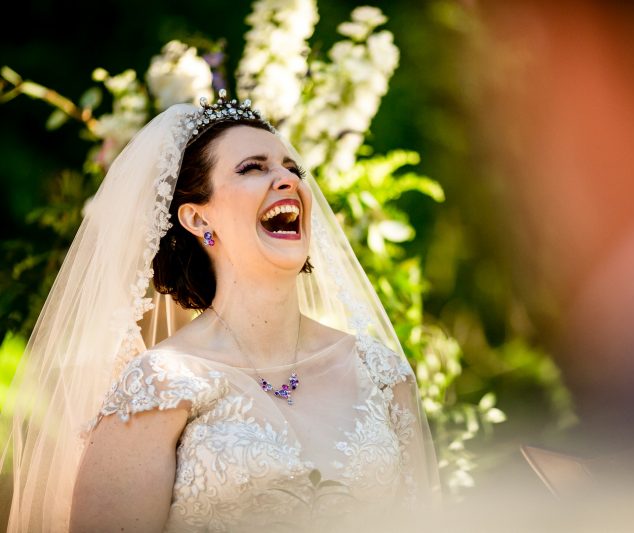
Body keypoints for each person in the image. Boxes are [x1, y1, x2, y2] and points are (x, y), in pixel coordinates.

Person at [2, 91, 439, 532]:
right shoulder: (160, 385)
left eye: (293, 169)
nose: (287, 180)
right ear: (197, 219)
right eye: (253, 168)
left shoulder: (380, 372)